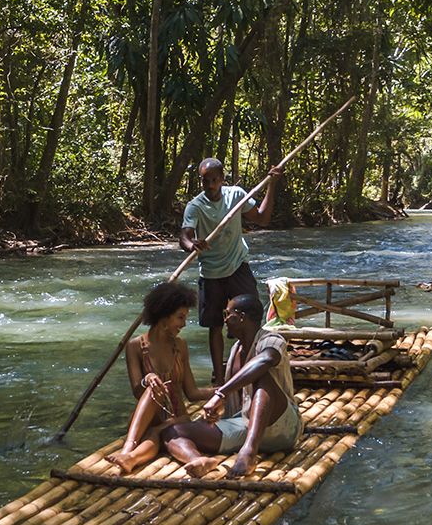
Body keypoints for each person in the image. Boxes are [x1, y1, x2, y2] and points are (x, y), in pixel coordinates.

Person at [158, 294, 301, 480]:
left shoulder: (272, 339)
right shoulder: (235, 350)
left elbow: (267, 359)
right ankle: (199, 461)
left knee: (262, 376)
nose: (224, 320)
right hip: (243, 423)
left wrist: (221, 393)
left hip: (282, 426)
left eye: (228, 314)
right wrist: (216, 412)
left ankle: (249, 451)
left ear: (241, 317)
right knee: (174, 432)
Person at [181, 157, 281, 381]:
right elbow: (185, 237)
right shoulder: (195, 206)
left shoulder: (236, 195)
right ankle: (219, 375)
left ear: (222, 179)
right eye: (205, 181)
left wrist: (272, 184)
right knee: (215, 325)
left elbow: (263, 219)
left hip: (237, 266)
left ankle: (252, 365)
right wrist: (192, 245)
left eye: (214, 181)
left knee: (252, 316)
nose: (210, 186)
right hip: (211, 272)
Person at [109, 281, 211, 474]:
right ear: (164, 316)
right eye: (180, 317)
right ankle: (128, 453)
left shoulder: (180, 346)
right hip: (150, 418)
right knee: (152, 393)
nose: (184, 324)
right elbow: (137, 392)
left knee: (157, 432)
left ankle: (129, 456)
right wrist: (148, 378)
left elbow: (192, 392)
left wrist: (224, 390)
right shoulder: (135, 346)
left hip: (177, 420)